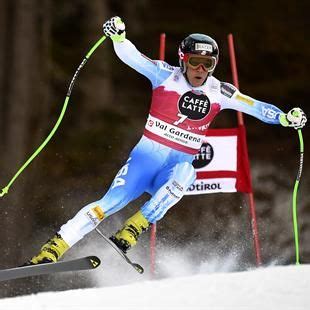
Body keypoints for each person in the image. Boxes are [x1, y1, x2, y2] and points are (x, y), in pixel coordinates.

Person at [27, 16, 307, 265]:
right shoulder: (164, 75)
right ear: (183, 59)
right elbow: (132, 57)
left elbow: (256, 107)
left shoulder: (220, 91)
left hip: (173, 169)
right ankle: (54, 248)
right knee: (108, 204)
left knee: (188, 173)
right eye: (194, 62)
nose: (200, 69)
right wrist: (119, 37)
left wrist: (285, 118)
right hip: (144, 163)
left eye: (207, 63)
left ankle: (134, 227)